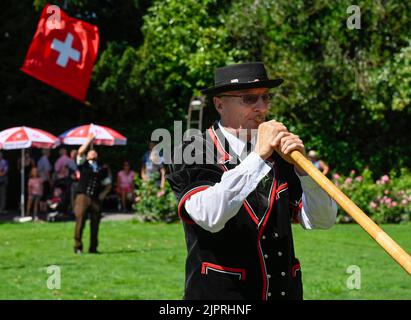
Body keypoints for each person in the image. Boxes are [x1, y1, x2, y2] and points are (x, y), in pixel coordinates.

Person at [166, 62, 337, 300]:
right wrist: (259, 156)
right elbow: (210, 216)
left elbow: (323, 220)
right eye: (249, 99)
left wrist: (304, 171)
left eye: (265, 98)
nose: (262, 108)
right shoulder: (191, 149)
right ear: (219, 104)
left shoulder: (282, 155)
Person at [73, 134, 112, 254]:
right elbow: (80, 152)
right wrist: (88, 140)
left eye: (95, 152)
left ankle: (93, 247)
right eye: (91, 152)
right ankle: (78, 246)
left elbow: (108, 184)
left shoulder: (102, 168)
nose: (93, 153)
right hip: (82, 196)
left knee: (95, 224)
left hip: (95, 198)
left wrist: (102, 195)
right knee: (80, 222)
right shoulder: (83, 164)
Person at [37, 149, 53, 213]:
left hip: (40, 179)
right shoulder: (45, 160)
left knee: (42, 194)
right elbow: (47, 172)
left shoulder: (40, 159)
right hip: (44, 179)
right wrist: (50, 180)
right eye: (49, 152)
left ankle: (41, 208)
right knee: (44, 194)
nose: (49, 153)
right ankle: (43, 209)